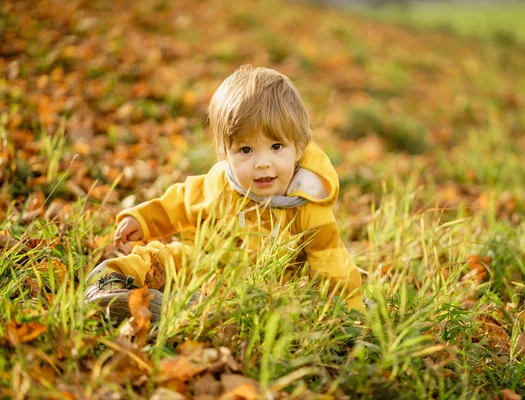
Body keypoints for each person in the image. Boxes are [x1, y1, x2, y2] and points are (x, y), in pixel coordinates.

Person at [85, 65, 364, 321]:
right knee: (167, 257)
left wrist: (348, 316)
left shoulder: (307, 204)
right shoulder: (223, 181)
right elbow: (182, 201)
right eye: (245, 150)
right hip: (211, 263)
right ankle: (111, 280)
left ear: (299, 147)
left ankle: (195, 308)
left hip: (267, 284)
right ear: (225, 154)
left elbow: (331, 261)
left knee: (282, 304)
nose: (262, 162)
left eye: (276, 147)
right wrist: (143, 219)